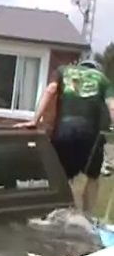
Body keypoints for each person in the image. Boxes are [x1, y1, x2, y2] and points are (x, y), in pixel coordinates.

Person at [15, 60, 114, 218]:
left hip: (63, 130)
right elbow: (112, 106)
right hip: (90, 134)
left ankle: (57, 213)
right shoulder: (102, 79)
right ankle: (86, 215)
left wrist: (35, 120)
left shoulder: (63, 70)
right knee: (92, 176)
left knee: (61, 174)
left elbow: (50, 90)